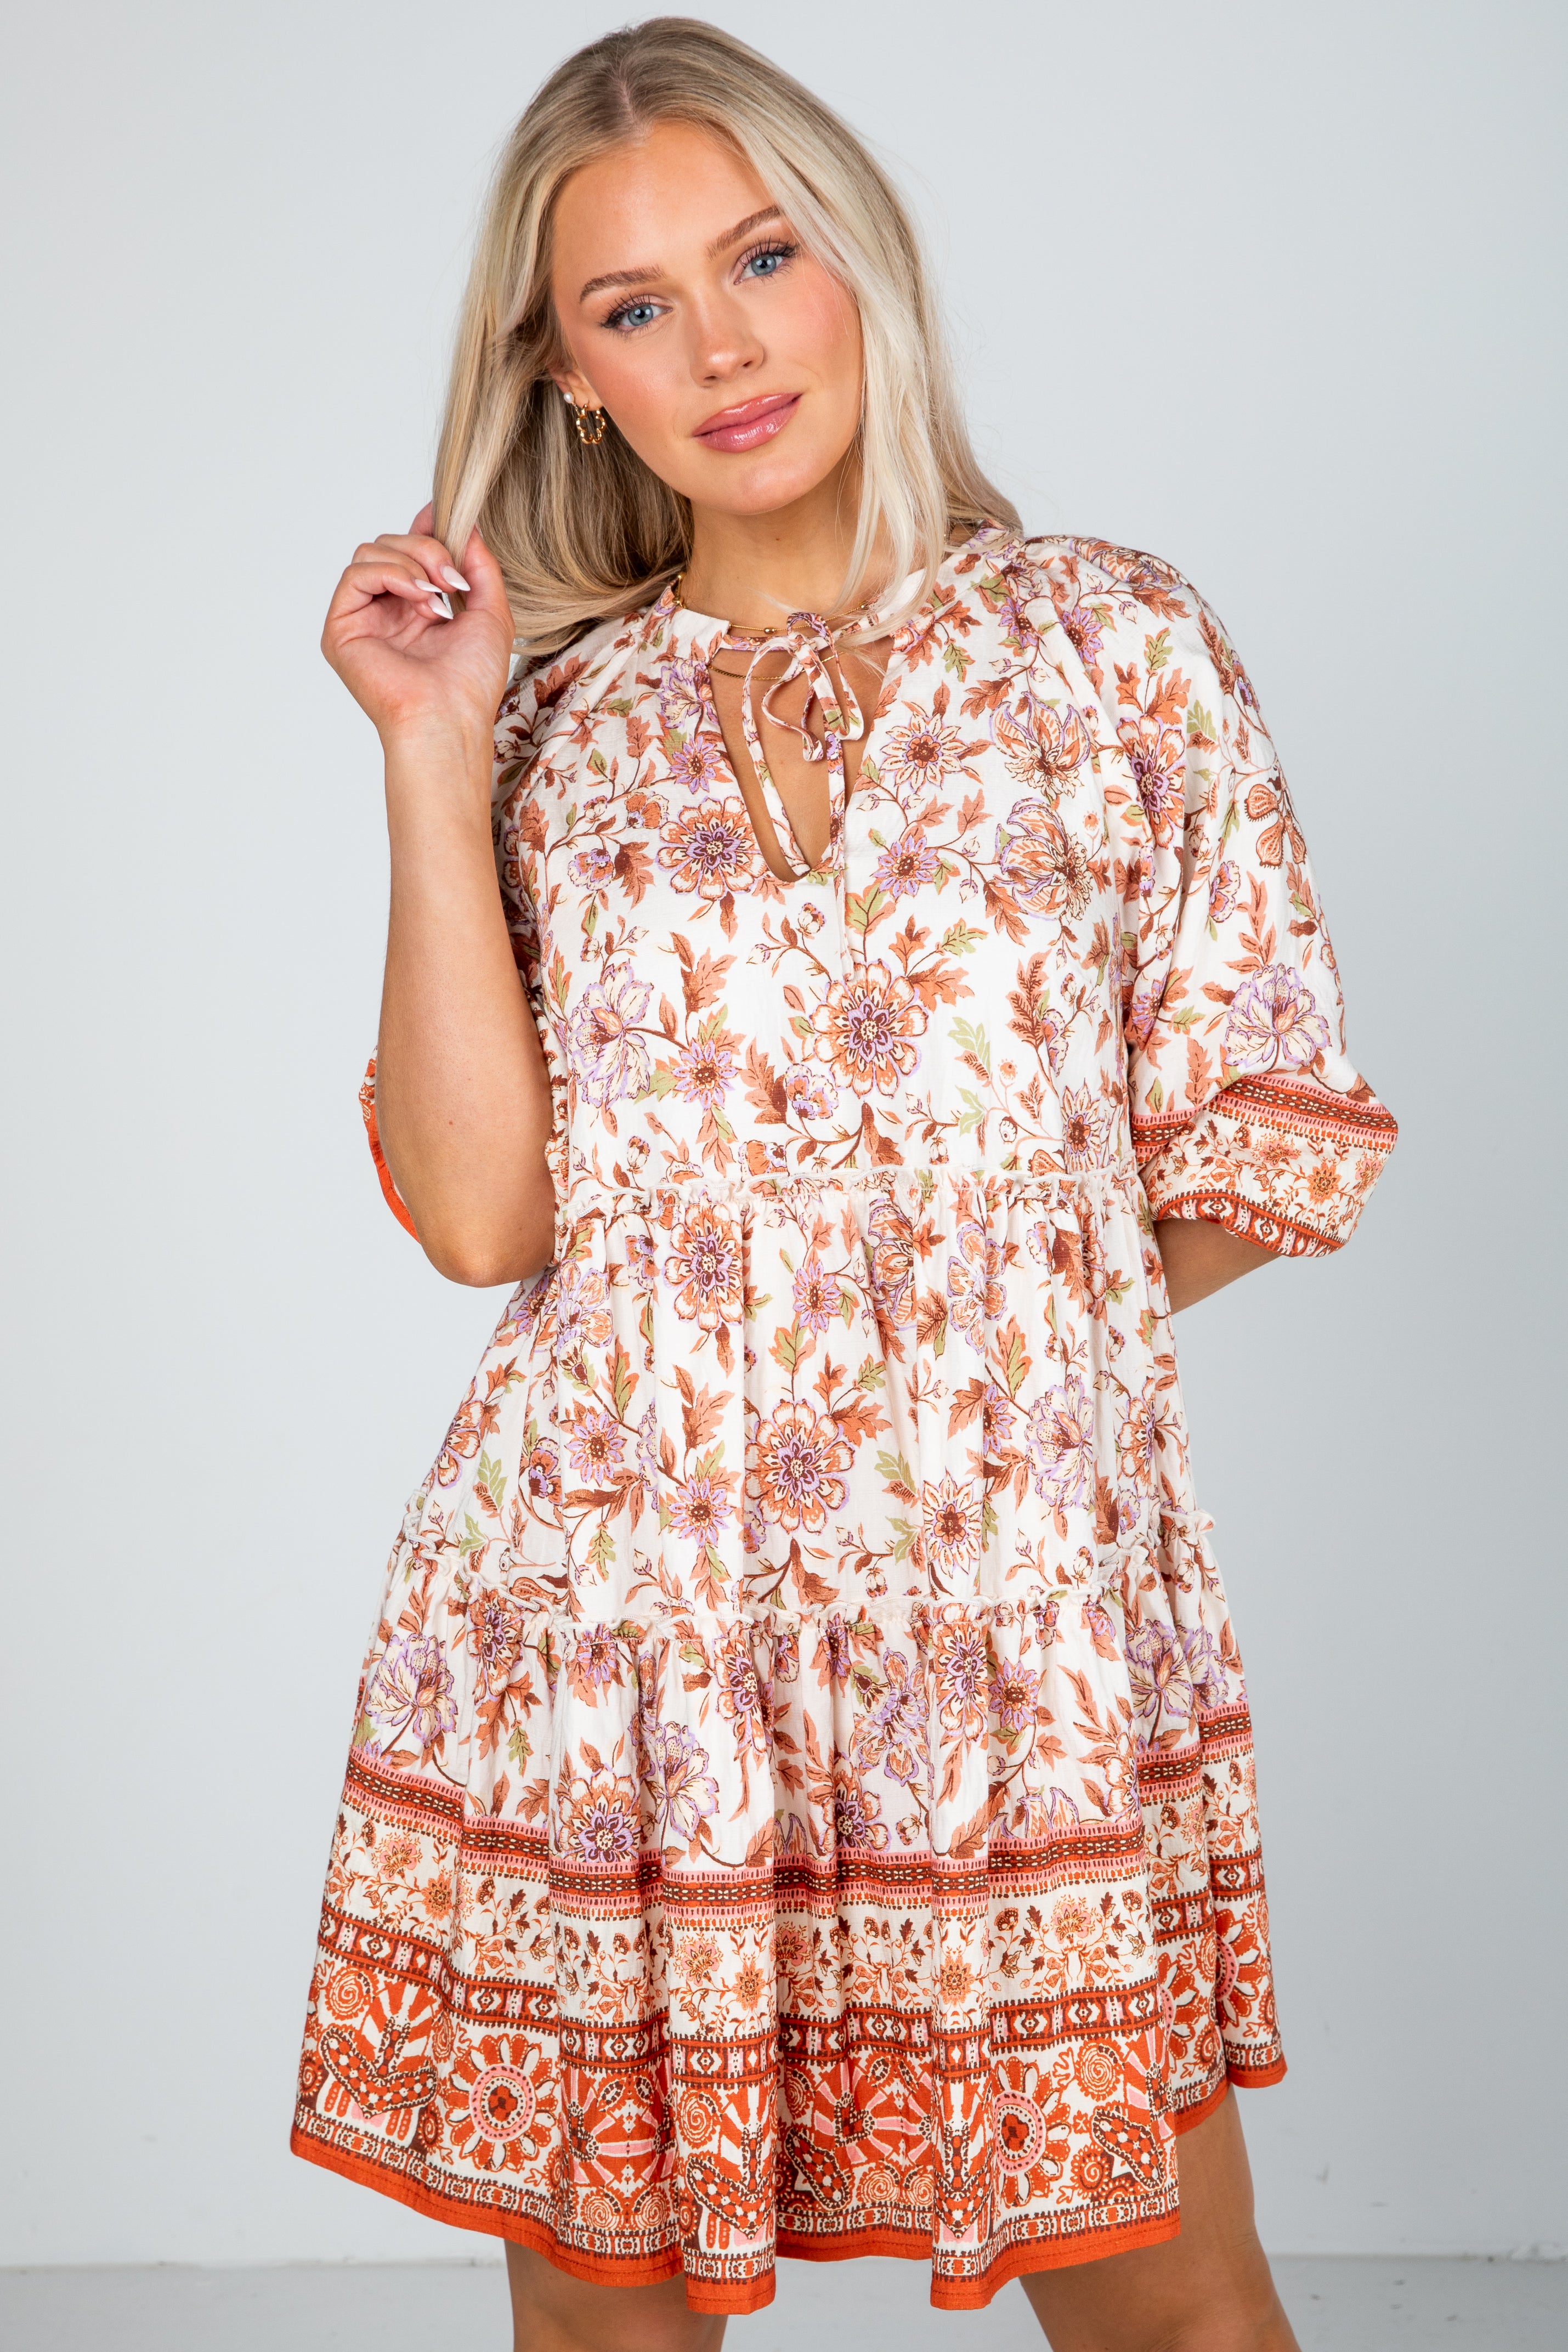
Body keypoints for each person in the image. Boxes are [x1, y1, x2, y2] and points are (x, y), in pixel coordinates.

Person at [293, 20, 1396, 2351]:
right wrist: (425, 747)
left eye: (763, 253)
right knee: (611, 2318)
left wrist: (955, 1374)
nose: (720, 342)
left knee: (1171, 2303)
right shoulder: (556, 735)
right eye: (633, 304)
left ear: (859, 261)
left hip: (1011, 1631)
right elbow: (490, 1224)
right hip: (617, 1631)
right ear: (568, 373)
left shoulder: (1113, 646)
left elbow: (1250, 1132)